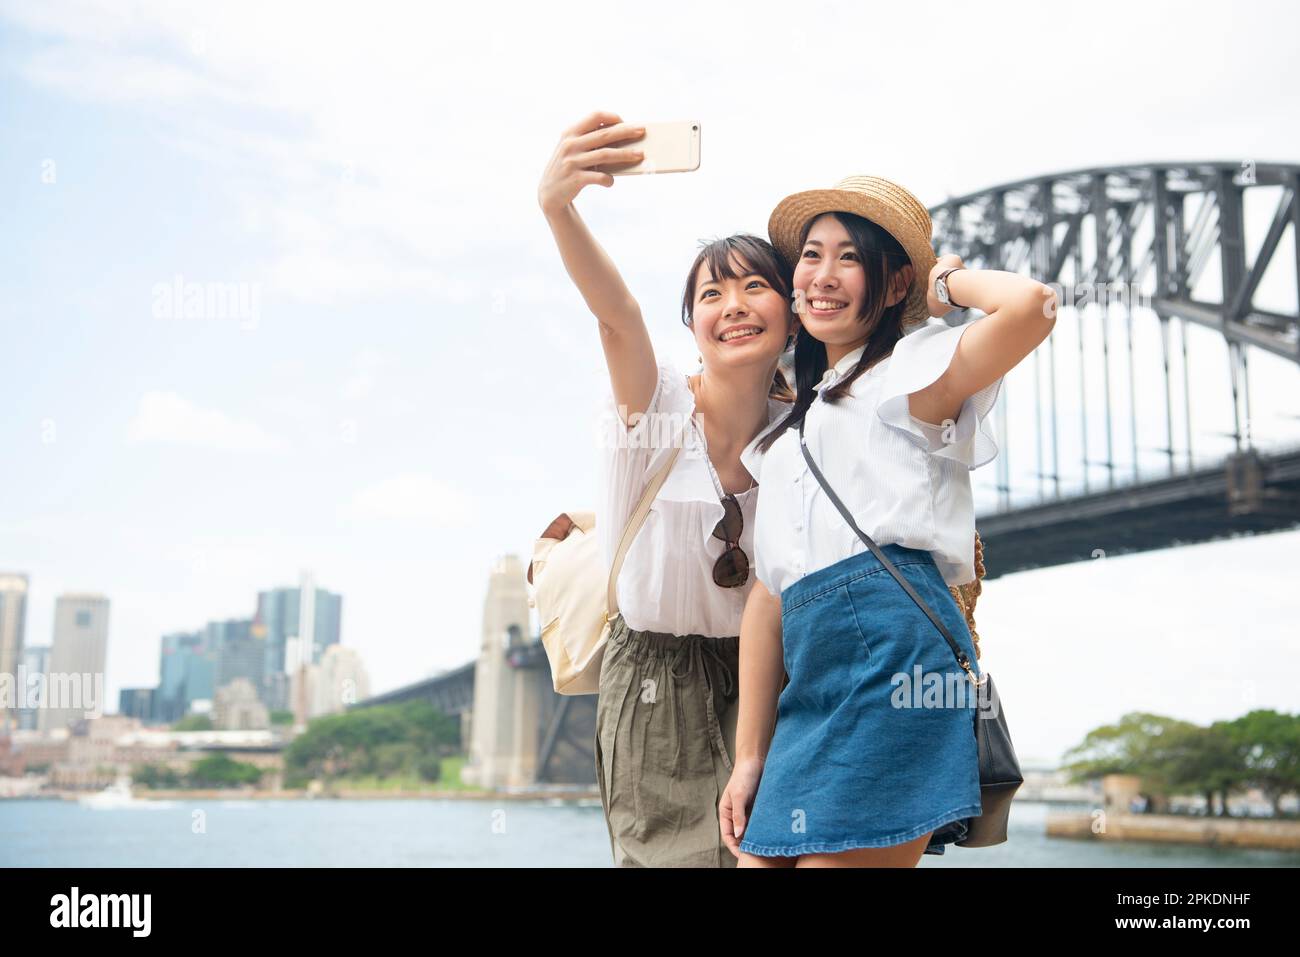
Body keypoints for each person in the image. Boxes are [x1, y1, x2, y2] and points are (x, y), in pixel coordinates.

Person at [719, 175, 1058, 867]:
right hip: (809, 683)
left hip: (896, 663)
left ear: (896, 279)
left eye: (850, 257)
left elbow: (1032, 305)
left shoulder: (915, 372)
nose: (822, 274)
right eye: (811, 255)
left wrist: (947, 285)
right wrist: (749, 754)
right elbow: (769, 596)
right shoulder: (785, 438)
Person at [538, 111, 798, 866]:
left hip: (769, 683)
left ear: (789, 313)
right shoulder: (653, 409)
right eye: (712, 294)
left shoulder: (808, 431)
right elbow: (615, 317)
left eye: (756, 286)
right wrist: (558, 205)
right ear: (692, 323)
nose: (735, 305)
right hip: (654, 683)